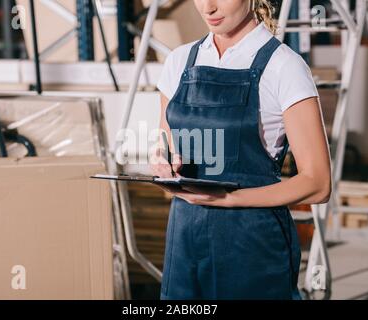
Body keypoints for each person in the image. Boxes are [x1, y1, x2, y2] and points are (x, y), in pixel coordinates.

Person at [150, 0, 332, 300]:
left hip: (251, 242)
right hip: (185, 238)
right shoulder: (179, 61)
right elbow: (166, 148)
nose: (207, 7)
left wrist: (230, 199)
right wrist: (161, 164)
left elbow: (318, 183)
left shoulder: (283, 66)